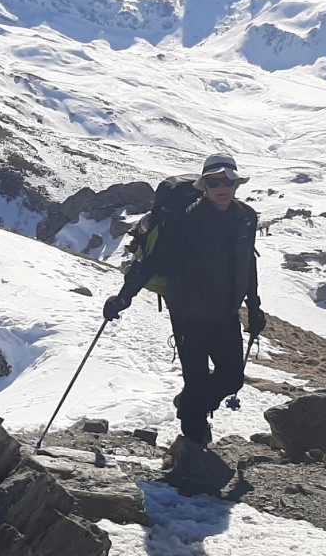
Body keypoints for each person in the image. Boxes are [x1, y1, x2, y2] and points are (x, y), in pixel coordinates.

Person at [103, 152, 264, 445]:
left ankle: (189, 407)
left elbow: (247, 264)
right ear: (204, 186)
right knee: (197, 380)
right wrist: (124, 297)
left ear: (237, 182)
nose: (221, 186)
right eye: (214, 181)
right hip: (188, 313)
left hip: (226, 312)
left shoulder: (246, 218)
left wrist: (254, 308)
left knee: (231, 379)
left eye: (228, 179)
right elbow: (153, 261)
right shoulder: (187, 219)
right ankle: (193, 439)